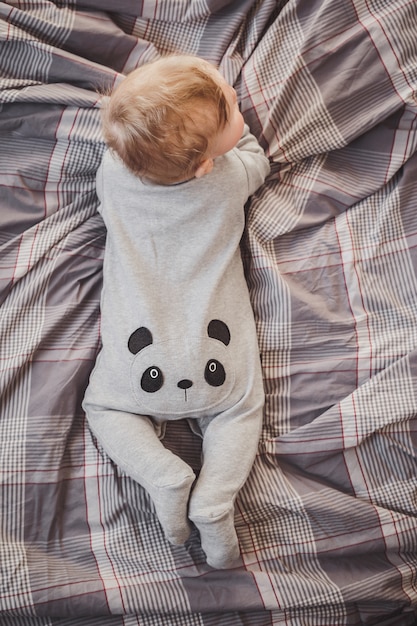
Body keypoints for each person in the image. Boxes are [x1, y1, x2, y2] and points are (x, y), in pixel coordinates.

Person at [83, 54, 270, 569]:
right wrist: (238, 134)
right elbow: (256, 156)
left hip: (138, 361)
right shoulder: (231, 178)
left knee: (105, 409)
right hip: (216, 354)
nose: (236, 105)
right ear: (204, 164)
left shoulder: (112, 175)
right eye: (231, 109)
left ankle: (161, 474)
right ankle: (215, 499)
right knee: (238, 409)